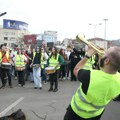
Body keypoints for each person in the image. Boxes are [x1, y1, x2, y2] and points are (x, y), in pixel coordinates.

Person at [64, 46, 120, 120]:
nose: (102, 53)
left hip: (76, 113)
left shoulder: (90, 75)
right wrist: (101, 58)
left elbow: (76, 70)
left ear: (106, 61)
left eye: (105, 53)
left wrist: (88, 55)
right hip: (96, 114)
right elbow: (104, 71)